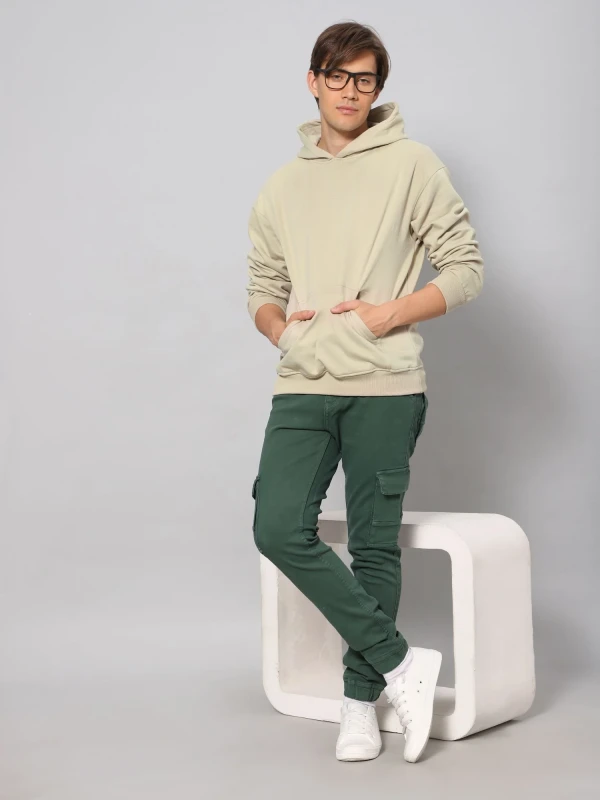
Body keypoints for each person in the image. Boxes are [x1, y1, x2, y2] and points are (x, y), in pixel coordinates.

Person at [246, 21, 484, 764]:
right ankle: (401, 662)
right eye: (338, 76)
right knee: (278, 526)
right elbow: (262, 286)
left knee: (374, 544)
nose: (351, 91)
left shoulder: (412, 164)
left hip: (385, 385)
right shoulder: (282, 185)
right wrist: (283, 333)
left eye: (365, 79)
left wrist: (389, 314)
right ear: (312, 81)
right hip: (303, 384)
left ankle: (360, 704)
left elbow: (466, 268)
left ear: (378, 88)